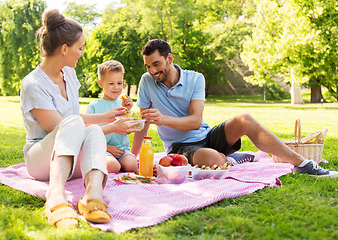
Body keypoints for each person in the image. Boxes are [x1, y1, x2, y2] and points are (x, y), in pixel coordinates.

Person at [131, 39, 338, 178]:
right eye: (148, 66)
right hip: (180, 147)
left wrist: (163, 119)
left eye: (156, 64)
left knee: (244, 119)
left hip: (206, 134)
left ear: (169, 59)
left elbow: (195, 121)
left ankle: (304, 165)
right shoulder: (146, 81)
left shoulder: (195, 78)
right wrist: (133, 157)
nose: (152, 71)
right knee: (213, 159)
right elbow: (142, 124)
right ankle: (231, 159)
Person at [20, 9, 140, 229]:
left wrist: (106, 116)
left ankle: (92, 197)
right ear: (65, 49)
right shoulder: (33, 84)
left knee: (93, 130)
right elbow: (64, 127)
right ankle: (55, 196)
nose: (82, 53)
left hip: (71, 155)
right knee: (82, 125)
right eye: (80, 48)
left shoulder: (70, 74)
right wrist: (111, 126)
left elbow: (74, 123)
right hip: (40, 160)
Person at [86, 60, 138, 174]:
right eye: (111, 83)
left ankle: (120, 162)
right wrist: (107, 148)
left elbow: (127, 131)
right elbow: (89, 134)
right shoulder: (94, 106)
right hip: (102, 148)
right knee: (113, 166)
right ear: (101, 84)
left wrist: (128, 111)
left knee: (132, 165)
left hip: (122, 149)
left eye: (119, 83)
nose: (116, 87)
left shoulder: (122, 104)